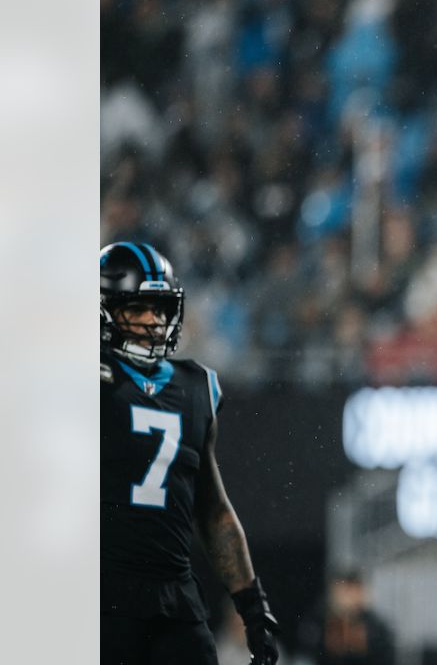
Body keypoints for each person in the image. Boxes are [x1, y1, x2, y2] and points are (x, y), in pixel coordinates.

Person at [101, 242, 280, 665]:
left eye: (161, 308)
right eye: (139, 308)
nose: (154, 321)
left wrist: (252, 608)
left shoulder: (196, 387)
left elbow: (214, 511)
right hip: (100, 591)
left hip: (174, 595)